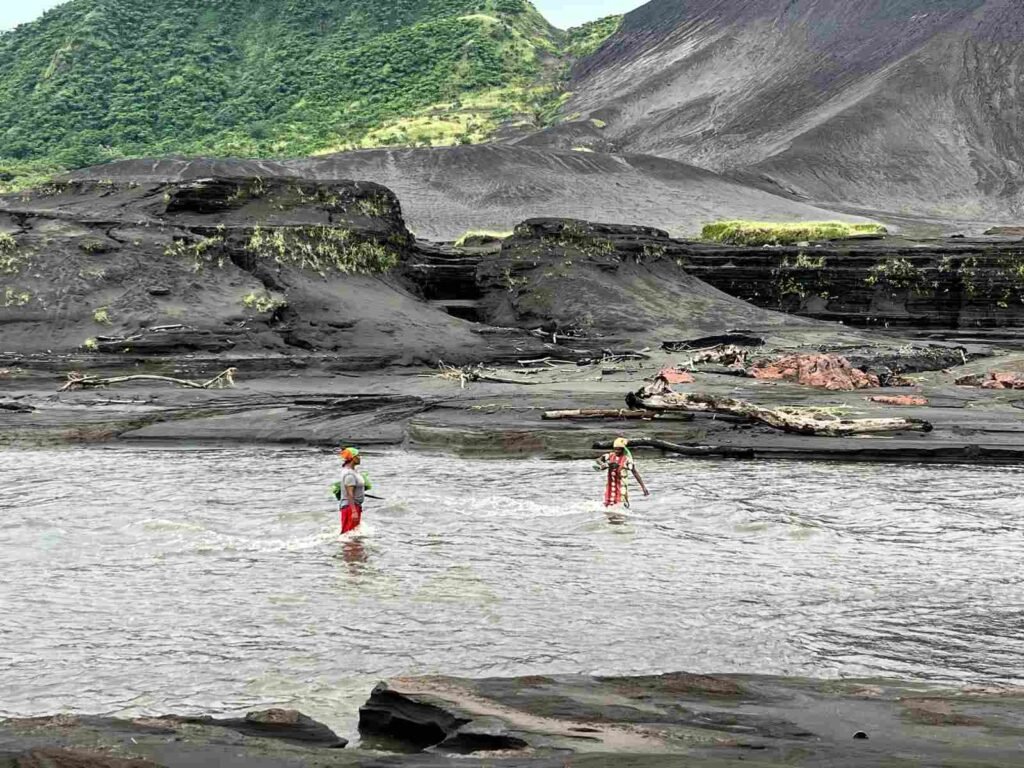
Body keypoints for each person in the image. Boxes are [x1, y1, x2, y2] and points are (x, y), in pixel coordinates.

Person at [594, 437, 649, 508]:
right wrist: (602, 464)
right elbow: (598, 460)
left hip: (621, 485)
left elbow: (635, 472)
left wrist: (643, 487)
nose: (616, 451)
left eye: (619, 449)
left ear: (623, 449)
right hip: (610, 485)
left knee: (622, 505)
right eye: (615, 449)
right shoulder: (610, 456)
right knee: (608, 505)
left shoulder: (627, 460)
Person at [336, 447, 366, 534]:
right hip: (350, 507)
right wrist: (353, 511)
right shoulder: (349, 474)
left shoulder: (352, 471)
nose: (360, 457)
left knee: (352, 534)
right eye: (358, 455)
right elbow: (349, 493)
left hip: (354, 506)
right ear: (352, 458)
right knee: (348, 535)